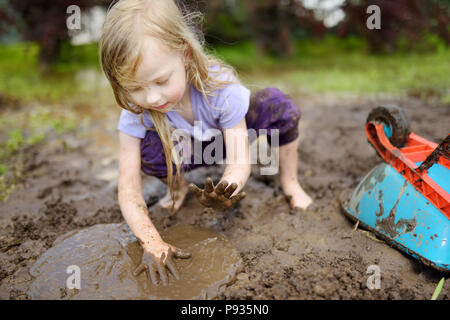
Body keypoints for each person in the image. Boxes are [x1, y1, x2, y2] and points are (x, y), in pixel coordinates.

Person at [99, 0, 312, 286]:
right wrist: (151, 242)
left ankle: (290, 182)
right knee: (145, 148)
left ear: (185, 54)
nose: (152, 98)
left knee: (280, 106)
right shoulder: (136, 115)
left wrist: (227, 188)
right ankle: (177, 188)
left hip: (231, 138)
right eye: (135, 88)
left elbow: (239, 160)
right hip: (187, 149)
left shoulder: (221, 89)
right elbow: (127, 189)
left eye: (161, 81)